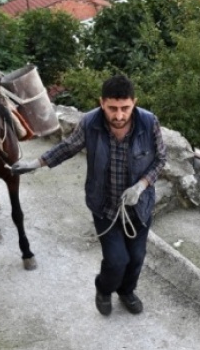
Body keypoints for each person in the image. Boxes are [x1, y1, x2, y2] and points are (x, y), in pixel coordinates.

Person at [12, 75, 166, 316]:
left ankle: (126, 291)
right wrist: (37, 163)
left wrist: (141, 185)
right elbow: (68, 147)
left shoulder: (149, 123)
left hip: (139, 207)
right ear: (101, 102)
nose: (119, 115)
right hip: (105, 207)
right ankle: (104, 289)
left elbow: (160, 159)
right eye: (112, 108)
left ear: (134, 103)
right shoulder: (90, 123)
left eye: (125, 108)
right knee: (116, 261)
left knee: (136, 258)